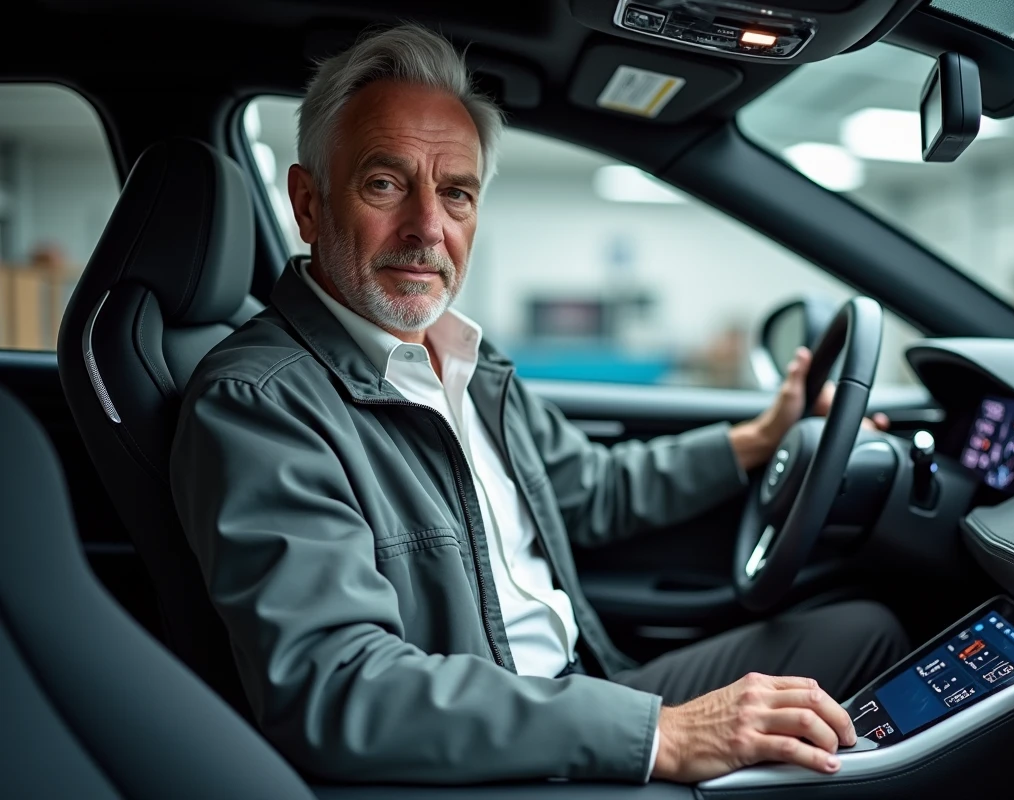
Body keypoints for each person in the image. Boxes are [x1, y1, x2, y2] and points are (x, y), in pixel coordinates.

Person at [170, 24, 908, 786]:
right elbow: (340, 684)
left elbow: (593, 490)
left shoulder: (464, 359)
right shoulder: (261, 403)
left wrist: (763, 436)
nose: (428, 228)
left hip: (578, 692)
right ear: (310, 203)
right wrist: (659, 735)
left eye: (455, 193)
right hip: (489, 765)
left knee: (866, 633)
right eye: (385, 184)